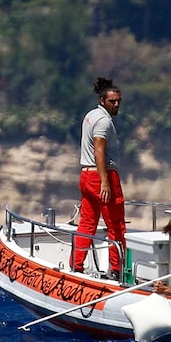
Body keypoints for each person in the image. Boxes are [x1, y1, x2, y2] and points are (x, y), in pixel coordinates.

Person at [72, 78, 126, 278]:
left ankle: (76, 265)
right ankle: (117, 270)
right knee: (116, 225)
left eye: (119, 101)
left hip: (86, 175)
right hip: (101, 175)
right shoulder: (104, 121)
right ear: (102, 100)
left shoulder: (90, 115)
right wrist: (105, 181)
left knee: (87, 223)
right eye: (113, 101)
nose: (117, 104)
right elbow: (99, 149)